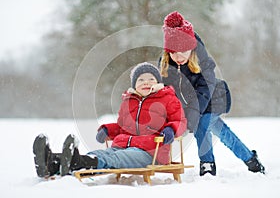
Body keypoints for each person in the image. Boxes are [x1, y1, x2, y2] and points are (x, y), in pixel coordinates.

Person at [33, 62, 187, 178]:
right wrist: (108, 129)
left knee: (116, 158)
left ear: (158, 82)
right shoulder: (129, 102)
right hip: (122, 145)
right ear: (134, 85)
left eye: (151, 79)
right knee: (102, 153)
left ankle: (77, 163)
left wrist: (171, 129)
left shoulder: (168, 99)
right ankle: (52, 162)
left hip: (151, 152)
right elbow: (121, 127)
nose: (146, 82)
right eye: (140, 80)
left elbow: (180, 121)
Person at [158, 11, 265, 176]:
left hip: (214, 98)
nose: (177, 56)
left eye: (182, 51)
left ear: (191, 48)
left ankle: (207, 163)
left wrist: (193, 114)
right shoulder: (166, 64)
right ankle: (250, 159)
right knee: (222, 132)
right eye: (173, 52)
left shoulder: (202, 62)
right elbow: (167, 92)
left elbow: (204, 91)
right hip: (194, 104)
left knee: (202, 124)